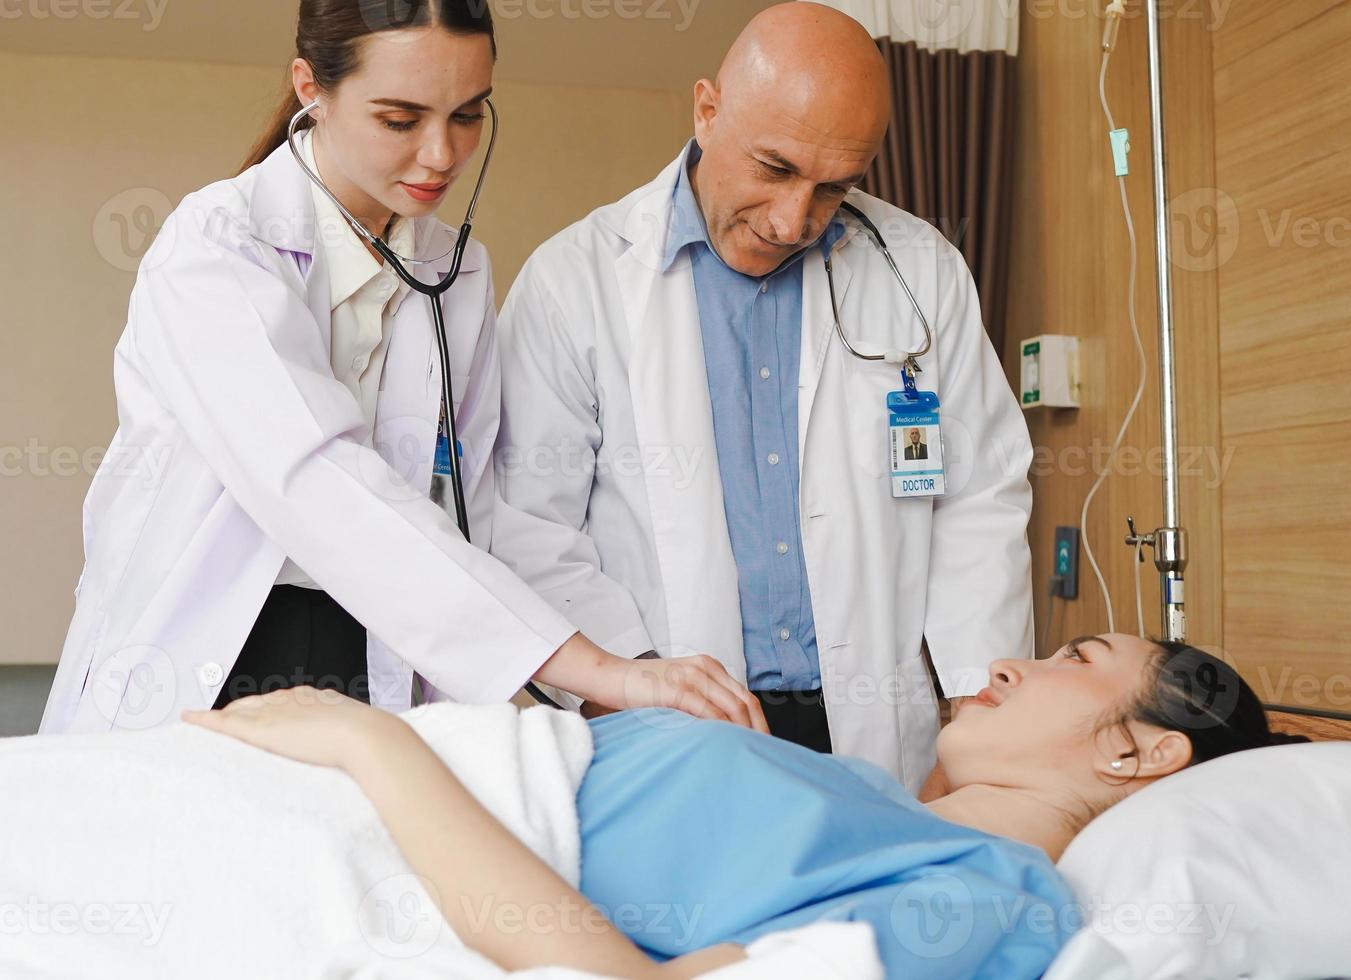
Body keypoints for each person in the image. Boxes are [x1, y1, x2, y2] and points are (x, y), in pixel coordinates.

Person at [39, 0, 765, 737]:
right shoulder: (217, 246)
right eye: (400, 119)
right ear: (309, 89)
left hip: (376, 654)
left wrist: (624, 675)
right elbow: (320, 485)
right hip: (209, 657)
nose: (442, 154)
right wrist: (596, 669)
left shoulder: (458, 273)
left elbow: (474, 514)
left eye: (467, 115)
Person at [489, 1, 1034, 789]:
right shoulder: (574, 279)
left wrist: (978, 700)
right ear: (707, 110)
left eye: (832, 188)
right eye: (774, 169)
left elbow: (980, 493)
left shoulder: (920, 267)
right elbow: (529, 521)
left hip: (875, 720)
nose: (793, 221)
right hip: (670, 720)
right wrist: (631, 681)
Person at [165, 632, 1308, 978]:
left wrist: (374, 743)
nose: (1011, 662)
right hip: (320, 782)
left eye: (1075, 654)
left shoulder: (997, 900)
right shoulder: (871, 795)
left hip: (361, 811)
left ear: (1138, 751)